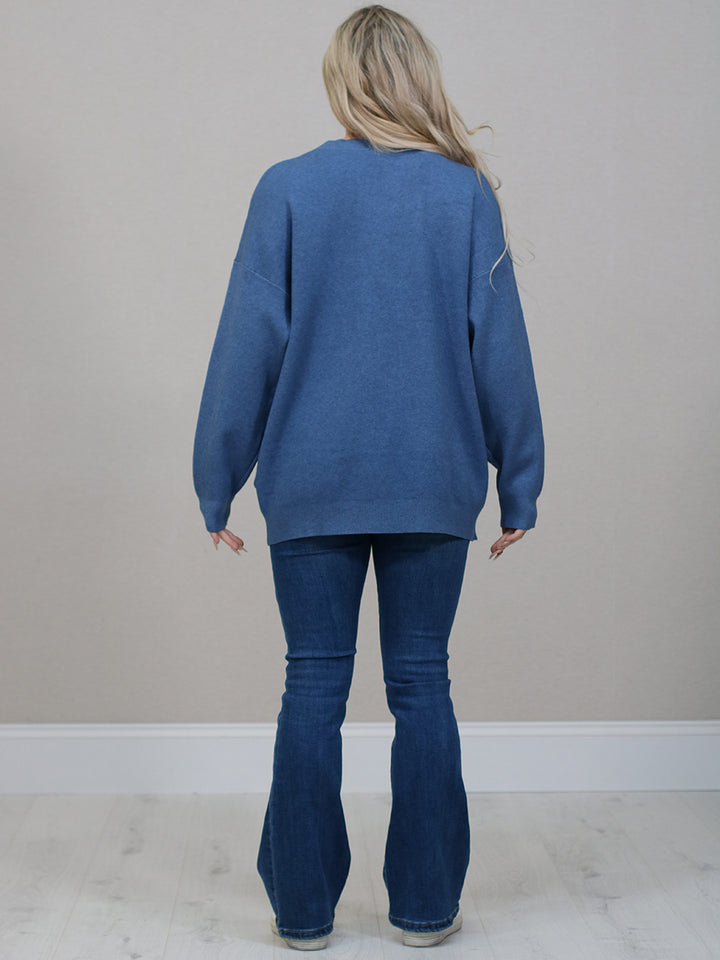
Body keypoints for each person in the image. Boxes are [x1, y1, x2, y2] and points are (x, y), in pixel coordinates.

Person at [192, 4, 544, 950]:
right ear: (417, 77)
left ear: (341, 81)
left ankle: (303, 914)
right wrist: (520, 482)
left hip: (311, 481)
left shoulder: (288, 188)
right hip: (432, 481)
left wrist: (216, 477)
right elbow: (501, 351)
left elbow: (246, 343)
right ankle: (425, 909)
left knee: (312, 684)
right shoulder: (464, 196)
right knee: (422, 683)